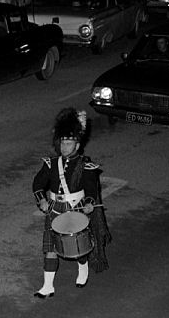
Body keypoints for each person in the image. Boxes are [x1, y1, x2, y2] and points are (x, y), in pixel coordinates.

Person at [32, 108, 112, 297]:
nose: (65, 147)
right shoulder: (51, 163)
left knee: (78, 245)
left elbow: (91, 189)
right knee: (49, 248)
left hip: (76, 207)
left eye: (69, 143)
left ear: (77, 145)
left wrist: (90, 203)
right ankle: (48, 286)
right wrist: (41, 200)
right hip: (54, 208)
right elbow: (38, 183)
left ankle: (82, 268)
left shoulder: (85, 165)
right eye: (62, 143)